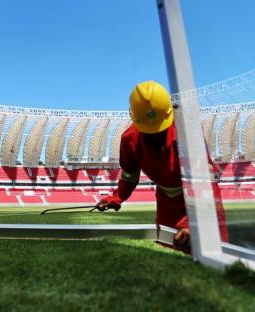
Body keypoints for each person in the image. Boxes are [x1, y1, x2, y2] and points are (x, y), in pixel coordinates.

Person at [97, 80, 227, 253]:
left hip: (201, 197)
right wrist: (116, 197)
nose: (155, 134)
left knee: (216, 251)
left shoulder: (187, 130)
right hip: (167, 201)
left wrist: (193, 221)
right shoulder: (129, 140)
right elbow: (129, 175)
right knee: (169, 252)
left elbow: (205, 179)